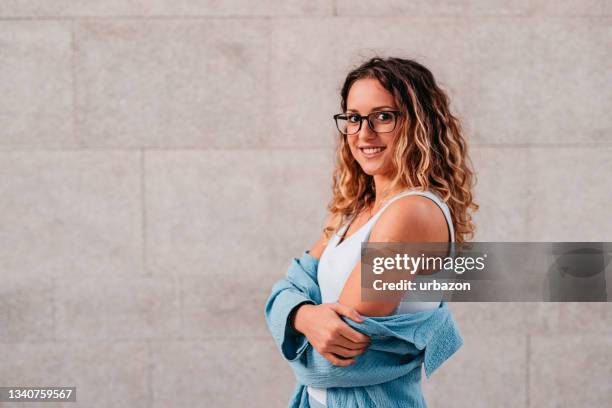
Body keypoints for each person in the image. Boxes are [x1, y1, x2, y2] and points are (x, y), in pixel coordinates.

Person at [287, 56, 479, 407]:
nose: (364, 133)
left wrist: (288, 320)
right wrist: (302, 316)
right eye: (354, 118)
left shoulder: (411, 212)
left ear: (420, 124)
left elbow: (335, 360)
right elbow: (288, 287)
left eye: (383, 116)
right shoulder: (356, 211)